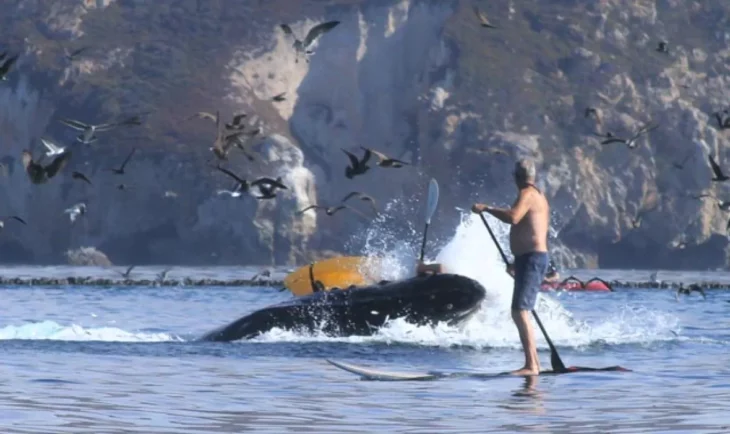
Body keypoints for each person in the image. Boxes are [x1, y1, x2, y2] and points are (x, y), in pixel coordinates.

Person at [471, 158, 550, 376]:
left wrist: (486, 208)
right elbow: (533, 229)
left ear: (515, 177)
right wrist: (517, 262)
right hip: (530, 259)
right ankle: (533, 363)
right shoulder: (538, 195)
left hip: (533, 259)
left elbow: (513, 218)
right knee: (521, 310)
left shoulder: (527, 194)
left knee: (520, 311)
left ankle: (532, 366)